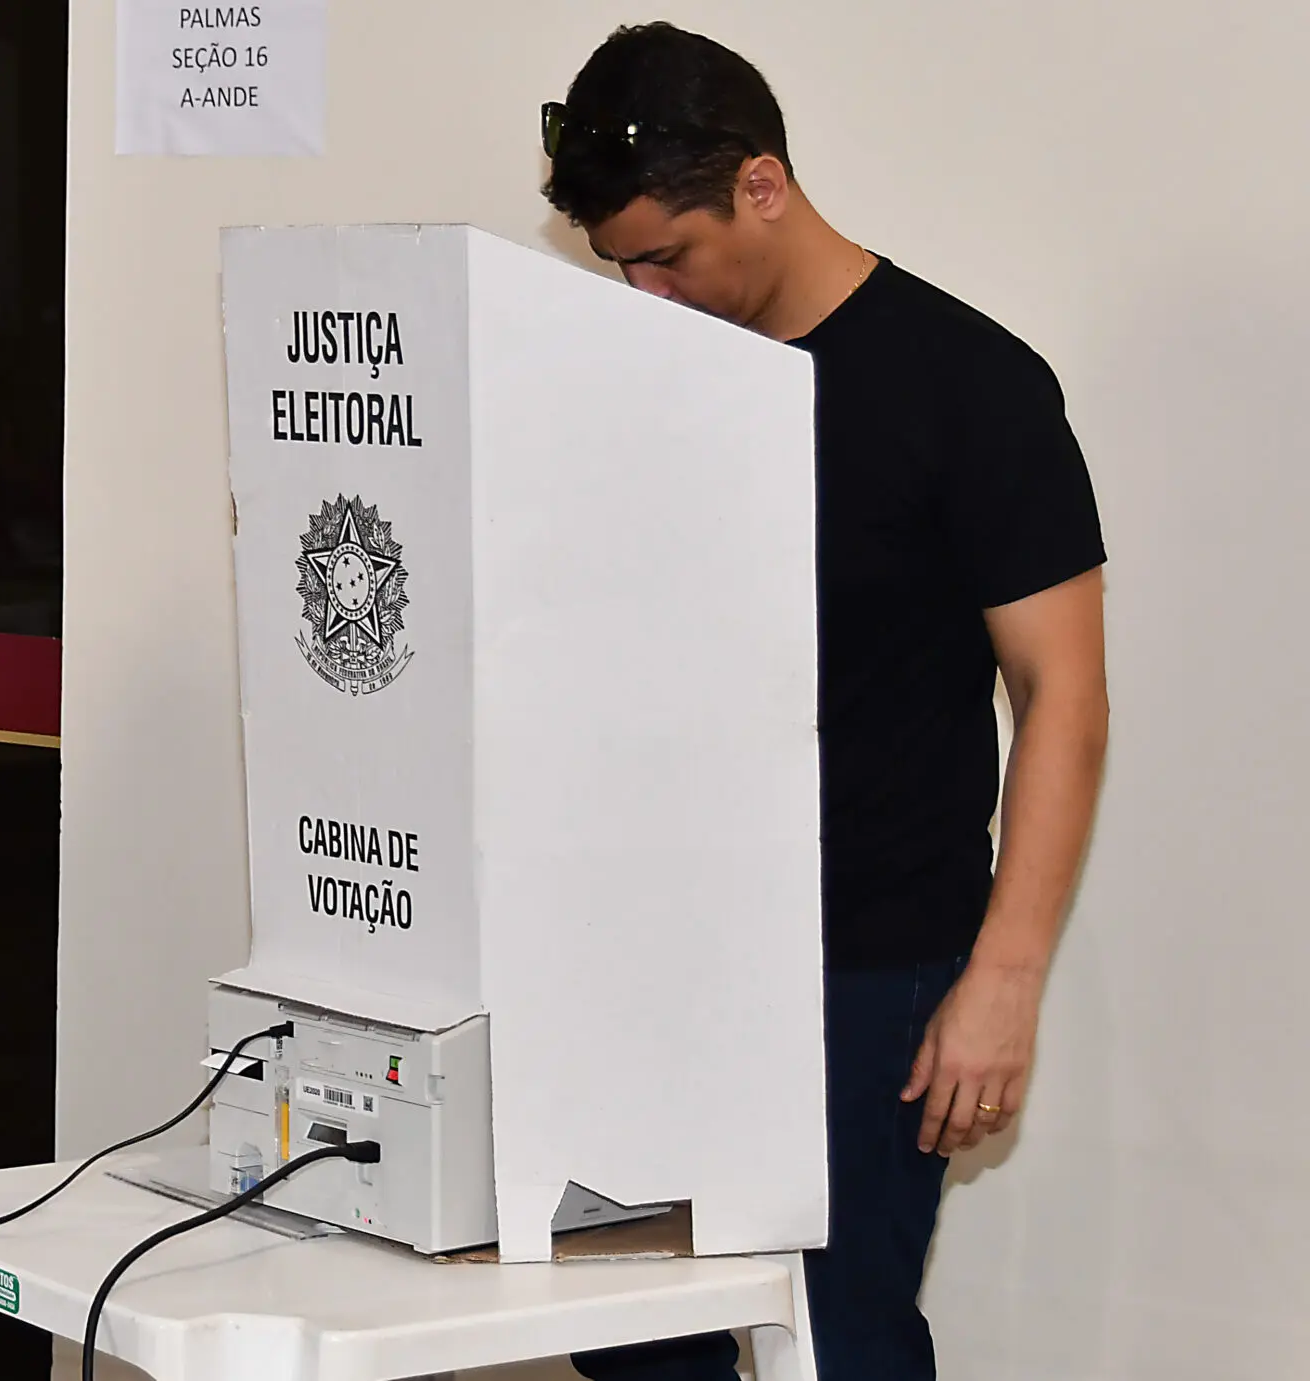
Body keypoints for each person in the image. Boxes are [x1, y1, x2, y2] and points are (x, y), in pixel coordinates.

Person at [540, 24, 1110, 1381]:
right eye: (620, 267)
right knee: (622, 1340)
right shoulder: (640, 382)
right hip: (649, 964)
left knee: (841, 1343)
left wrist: (1003, 979)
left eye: (666, 255)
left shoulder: (972, 388)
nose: (648, 293)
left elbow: (1065, 697)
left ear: (761, 185)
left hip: (871, 964)